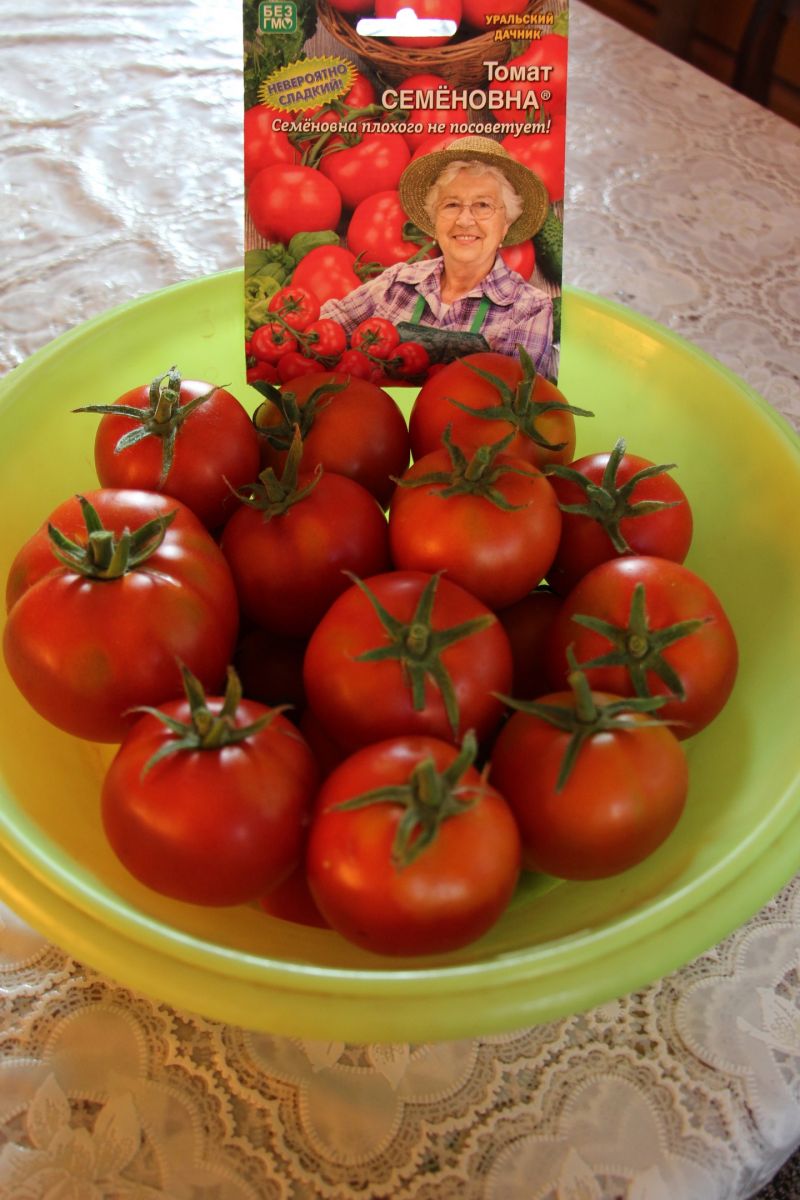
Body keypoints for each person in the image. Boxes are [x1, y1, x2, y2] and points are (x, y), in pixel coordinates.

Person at [319, 135, 556, 377]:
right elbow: (324, 329)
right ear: (435, 221)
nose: (464, 220)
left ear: (506, 224)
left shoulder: (529, 309)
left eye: (483, 205)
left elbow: (516, 388)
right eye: (451, 205)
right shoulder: (398, 281)